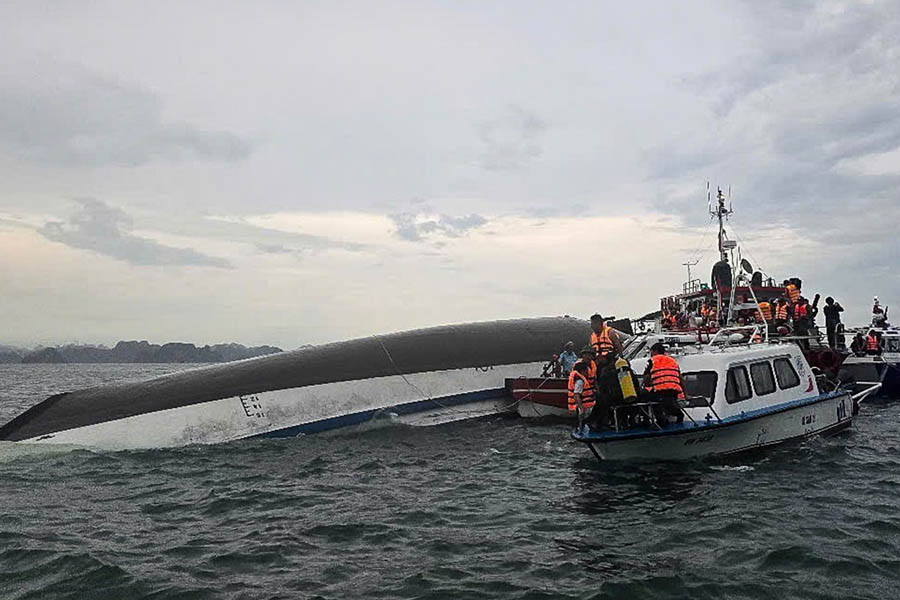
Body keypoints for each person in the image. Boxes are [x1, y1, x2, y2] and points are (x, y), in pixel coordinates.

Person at [641, 343, 685, 426]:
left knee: (645, 397)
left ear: (655, 351)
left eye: (651, 352)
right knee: (667, 404)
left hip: (660, 390)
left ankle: (649, 421)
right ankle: (676, 416)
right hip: (674, 391)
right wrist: (686, 394)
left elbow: (646, 378)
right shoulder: (672, 361)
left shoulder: (652, 361)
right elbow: (681, 378)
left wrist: (645, 385)